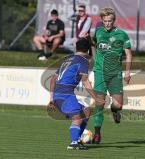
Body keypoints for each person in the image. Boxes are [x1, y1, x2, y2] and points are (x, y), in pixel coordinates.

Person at [49, 38, 104, 150]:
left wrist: (51, 98)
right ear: (88, 50)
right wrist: (96, 98)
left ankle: (77, 140)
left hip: (59, 94)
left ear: (76, 48)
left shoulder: (67, 59)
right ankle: (74, 143)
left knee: (86, 111)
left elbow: (53, 79)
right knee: (77, 117)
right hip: (65, 94)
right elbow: (85, 81)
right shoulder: (83, 61)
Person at [92, 7, 132, 144]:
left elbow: (128, 54)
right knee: (99, 103)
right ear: (102, 21)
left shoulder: (122, 34)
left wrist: (127, 71)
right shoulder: (98, 32)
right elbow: (94, 45)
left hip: (115, 74)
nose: (107, 23)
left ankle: (115, 111)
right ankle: (97, 134)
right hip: (100, 73)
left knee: (118, 104)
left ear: (113, 20)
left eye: (110, 21)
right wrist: (94, 58)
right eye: (105, 21)